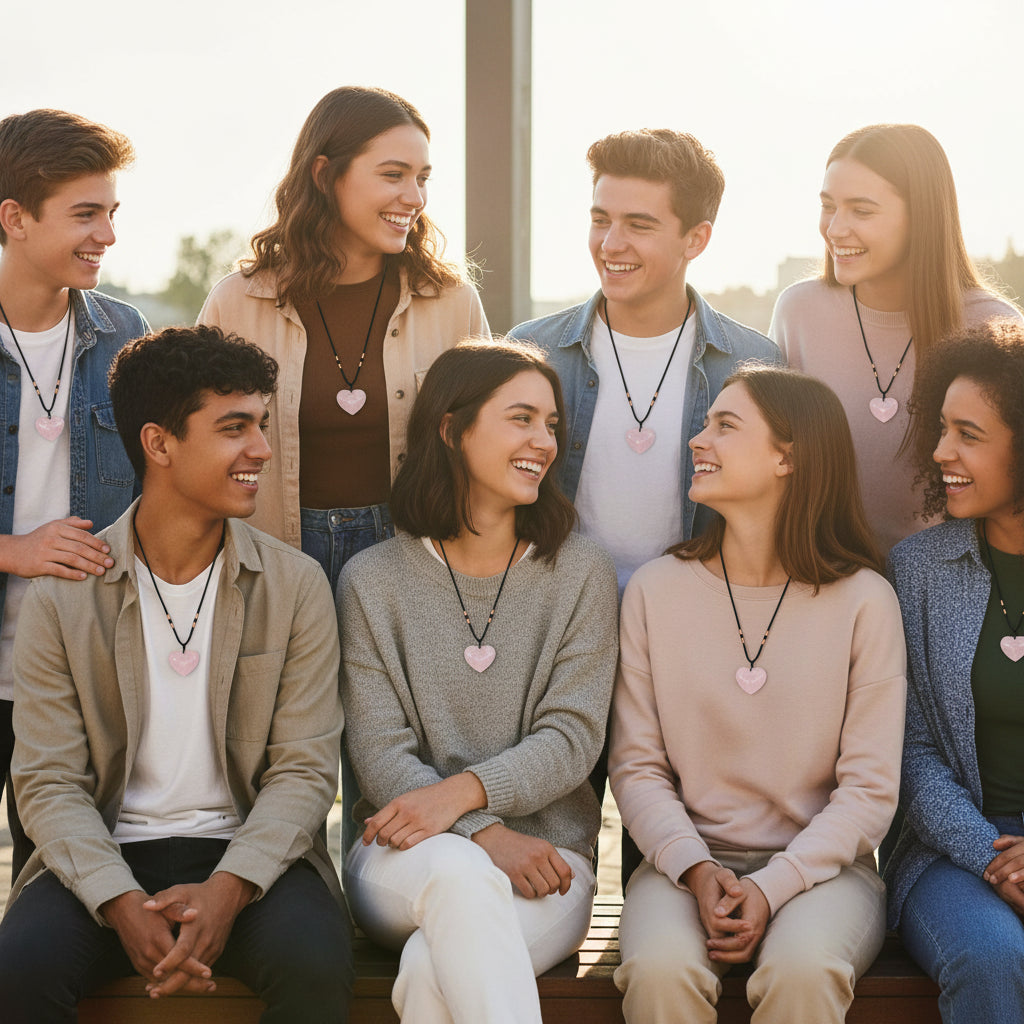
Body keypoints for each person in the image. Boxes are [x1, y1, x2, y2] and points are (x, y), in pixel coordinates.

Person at [0, 325, 352, 1022]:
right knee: (20, 970)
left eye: (261, 423)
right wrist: (118, 898)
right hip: (104, 853)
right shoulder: (62, 598)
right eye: (234, 428)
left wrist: (231, 887)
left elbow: (306, 770)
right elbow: (45, 780)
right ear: (159, 444)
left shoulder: (295, 585)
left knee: (316, 967)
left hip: (253, 857)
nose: (261, 449)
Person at [610, 363, 906, 1023]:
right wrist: (693, 867)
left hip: (825, 873)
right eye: (704, 422)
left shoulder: (864, 601)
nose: (696, 439)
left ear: (787, 459)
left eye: (725, 425)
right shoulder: (657, 590)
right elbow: (635, 766)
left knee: (803, 972)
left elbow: (868, 793)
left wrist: (772, 887)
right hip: (685, 865)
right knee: (659, 972)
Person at [338, 339, 618, 1022]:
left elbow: (574, 736)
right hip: (402, 857)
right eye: (520, 418)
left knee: (430, 970)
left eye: (552, 425)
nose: (543, 441)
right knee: (461, 876)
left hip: (550, 864)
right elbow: (378, 753)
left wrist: (461, 797)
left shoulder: (579, 572)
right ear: (452, 428)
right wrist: (487, 832)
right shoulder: (372, 582)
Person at [199, 85, 489, 595]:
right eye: (393, 175)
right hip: (268, 563)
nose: (415, 198)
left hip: (415, 562)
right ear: (325, 175)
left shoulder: (453, 303)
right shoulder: (236, 303)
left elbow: (485, 452)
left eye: (422, 179)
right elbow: (195, 450)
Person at [509, 128, 780, 596]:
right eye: (601, 220)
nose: (611, 244)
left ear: (695, 239)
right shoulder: (531, 352)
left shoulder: (754, 364)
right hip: (558, 613)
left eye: (638, 225)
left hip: (694, 615)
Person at [0, 108, 149, 881]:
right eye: (86, 214)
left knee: (58, 888)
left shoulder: (126, 336)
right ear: (14, 218)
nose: (108, 235)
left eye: (112, 213)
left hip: (78, 668)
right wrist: (14, 551)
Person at [769, 123, 1022, 555]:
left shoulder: (991, 324)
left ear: (921, 216)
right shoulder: (799, 312)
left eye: (861, 211)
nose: (835, 229)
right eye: (829, 206)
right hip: (825, 583)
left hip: (950, 589)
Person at [884, 319, 1024, 1023]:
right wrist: (991, 855)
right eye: (942, 428)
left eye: (969, 434)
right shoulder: (917, 571)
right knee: (993, 959)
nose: (941, 452)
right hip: (949, 848)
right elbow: (908, 749)